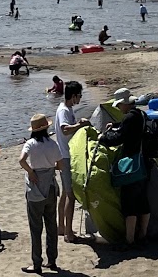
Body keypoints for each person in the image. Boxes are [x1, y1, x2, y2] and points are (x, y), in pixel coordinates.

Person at [98, 90, 150, 247]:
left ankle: (129, 240)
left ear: (125, 104)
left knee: (129, 204)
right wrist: (116, 125)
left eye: (119, 105)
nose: (119, 108)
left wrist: (104, 138)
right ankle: (142, 235)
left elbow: (119, 138)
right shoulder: (141, 114)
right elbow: (130, 130)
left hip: (132, 166)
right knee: (142, 201)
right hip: (144, 162)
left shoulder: (129, 117)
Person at [19, 113, 66, 274]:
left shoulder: (30, 144)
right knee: (51, 225)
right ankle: (52, 260)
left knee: (35, 228)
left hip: (36, 187)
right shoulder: (53, 144)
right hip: (50, 186)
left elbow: (21, 160)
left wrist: (31, 172)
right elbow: (60, 166)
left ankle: (36, 262)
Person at [54, 81, 88, 242]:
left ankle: (61, 227)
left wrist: (77, 124)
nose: (80, 98)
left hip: (64, 155)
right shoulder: (63, 111)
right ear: (73, 96)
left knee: (65, 194)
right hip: (66, 157)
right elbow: (65, 129)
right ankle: (68, 232)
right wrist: (79, 125)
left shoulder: (67, 109)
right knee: (70, 195)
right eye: (79, 96)